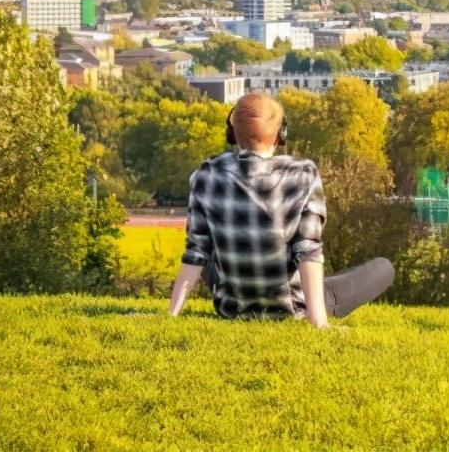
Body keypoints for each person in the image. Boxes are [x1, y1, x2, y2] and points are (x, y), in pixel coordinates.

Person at [167, 92, 394, 327]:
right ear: (280, 134)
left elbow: (197, 251)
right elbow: (307, 251)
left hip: (232, 308)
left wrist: (171, 314)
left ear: (232, 133)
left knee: (212, 244)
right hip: (290, 306)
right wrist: (319, 322)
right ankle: (315, 303)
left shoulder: (207, 174)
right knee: (383, 268)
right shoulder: (302, 173)